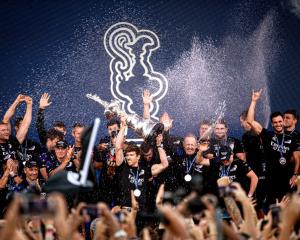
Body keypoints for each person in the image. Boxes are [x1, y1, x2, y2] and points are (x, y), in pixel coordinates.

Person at [246, 89, 300, 205]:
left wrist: (295, 175)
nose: (278, 124)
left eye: (280, 121)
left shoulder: (292, 139)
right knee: (272, 209)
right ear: (272, 123)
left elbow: (297, 159)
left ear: (283, 121)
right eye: (275, 122)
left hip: (286, 179)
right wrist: (254, 101)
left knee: (287, 210)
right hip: (270, 180)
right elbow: (250, 121)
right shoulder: (267, 135)